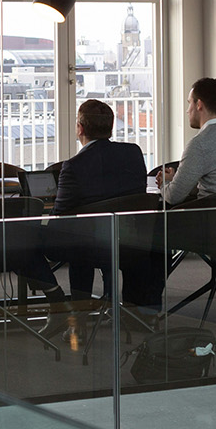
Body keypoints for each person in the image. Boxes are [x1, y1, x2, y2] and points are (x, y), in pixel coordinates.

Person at [50, 99, 147, 301]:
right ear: (111, 127)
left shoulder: (74, 166)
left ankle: (69, 308)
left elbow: (59, 218)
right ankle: (133, 310)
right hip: (131, 240)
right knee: (84, 235)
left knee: (73, 237)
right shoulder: (133, 153)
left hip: (90, 247)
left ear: (80, 128)